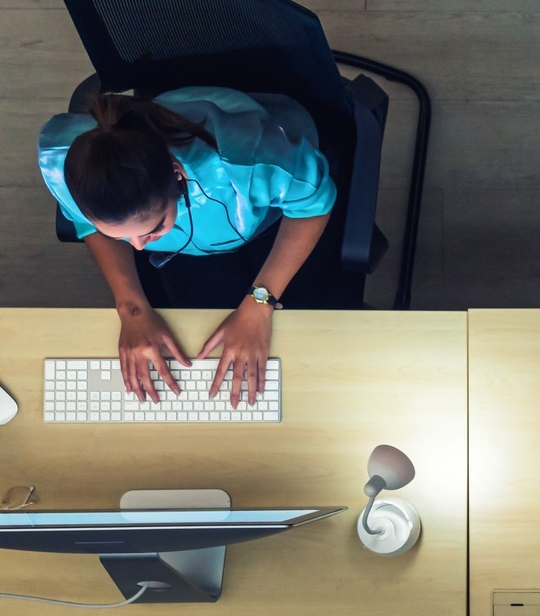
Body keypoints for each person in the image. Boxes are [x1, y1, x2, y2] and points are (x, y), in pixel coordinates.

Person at [38, 87, 342, 406]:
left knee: (307, 341)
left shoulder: (248, 162)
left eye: (153, 228)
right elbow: (85, 222)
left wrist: (260, 302)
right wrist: (130, 308)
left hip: (271, 209)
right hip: (194, 240)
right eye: (119, 236)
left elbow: (313, 206)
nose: (138, 249)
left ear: (177, 173)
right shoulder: (67, 160)